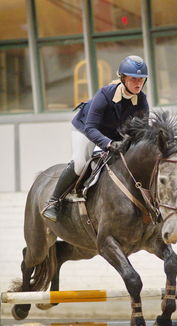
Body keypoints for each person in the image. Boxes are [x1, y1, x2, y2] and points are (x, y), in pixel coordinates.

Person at [42, 55, 149, 222]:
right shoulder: (105, 94)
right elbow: (90, 128)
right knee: (80, 163)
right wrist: (108, 143)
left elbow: (142, 130)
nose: (138, 83)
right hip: (86, 129)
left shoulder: (141, 99)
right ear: (123, 78)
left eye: (141, 79)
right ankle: (53, 201)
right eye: (134, 79)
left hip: (114, 132)